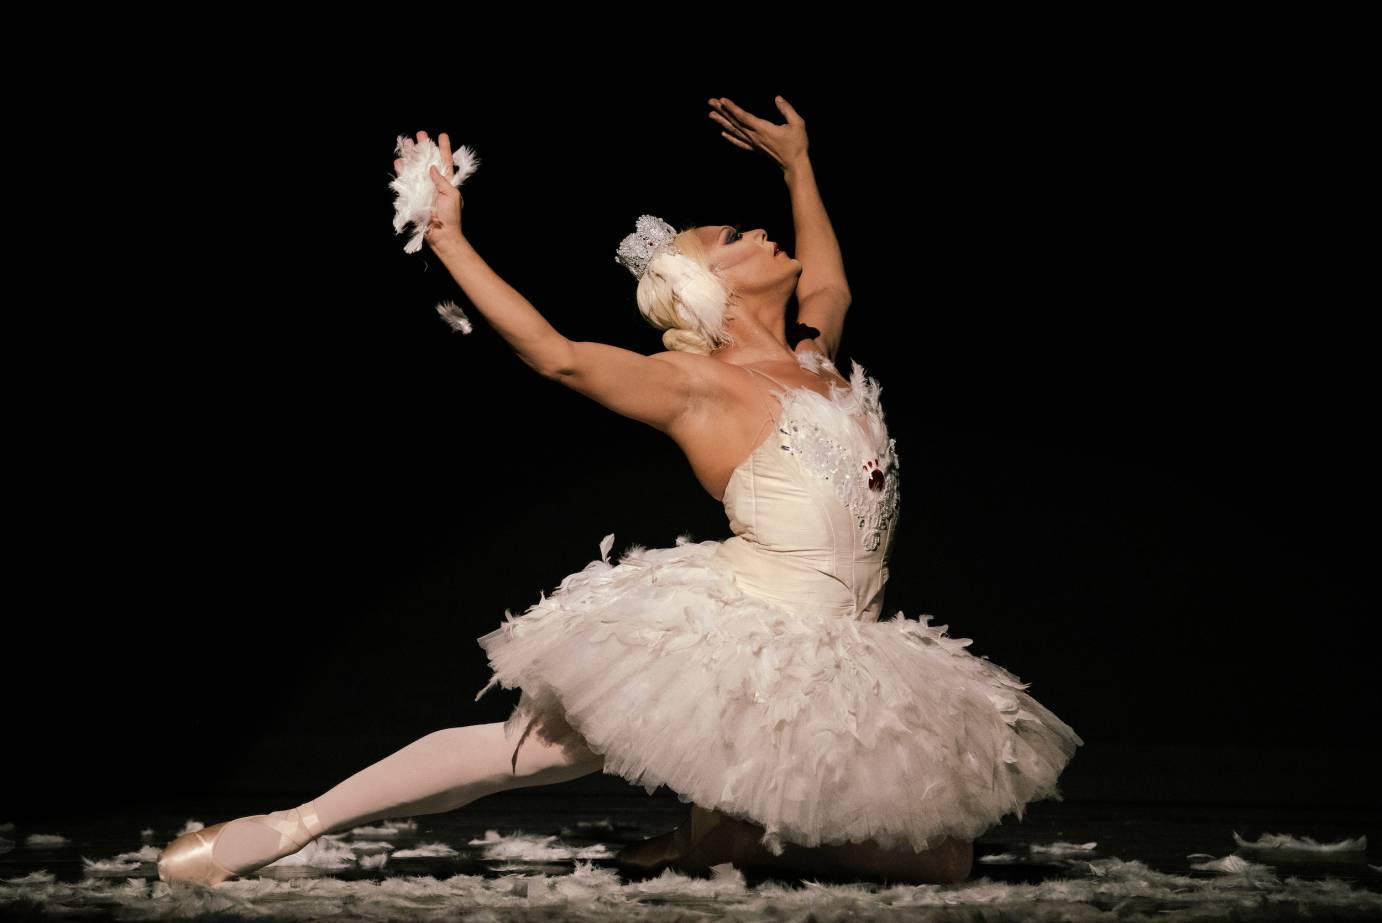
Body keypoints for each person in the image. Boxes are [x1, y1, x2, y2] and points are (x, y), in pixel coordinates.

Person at [157, 96, 1083, 888]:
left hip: (849, 647)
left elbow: (831, 277)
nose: (760, 231)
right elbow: (557, 356)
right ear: (706, 288)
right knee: (534, 753)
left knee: (945, 860)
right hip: (749, 629)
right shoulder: (701, 390)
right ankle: (290, 824)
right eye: (733, 236)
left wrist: (800, 166)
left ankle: (719, 833)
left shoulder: (814, 359)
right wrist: (450, 238)